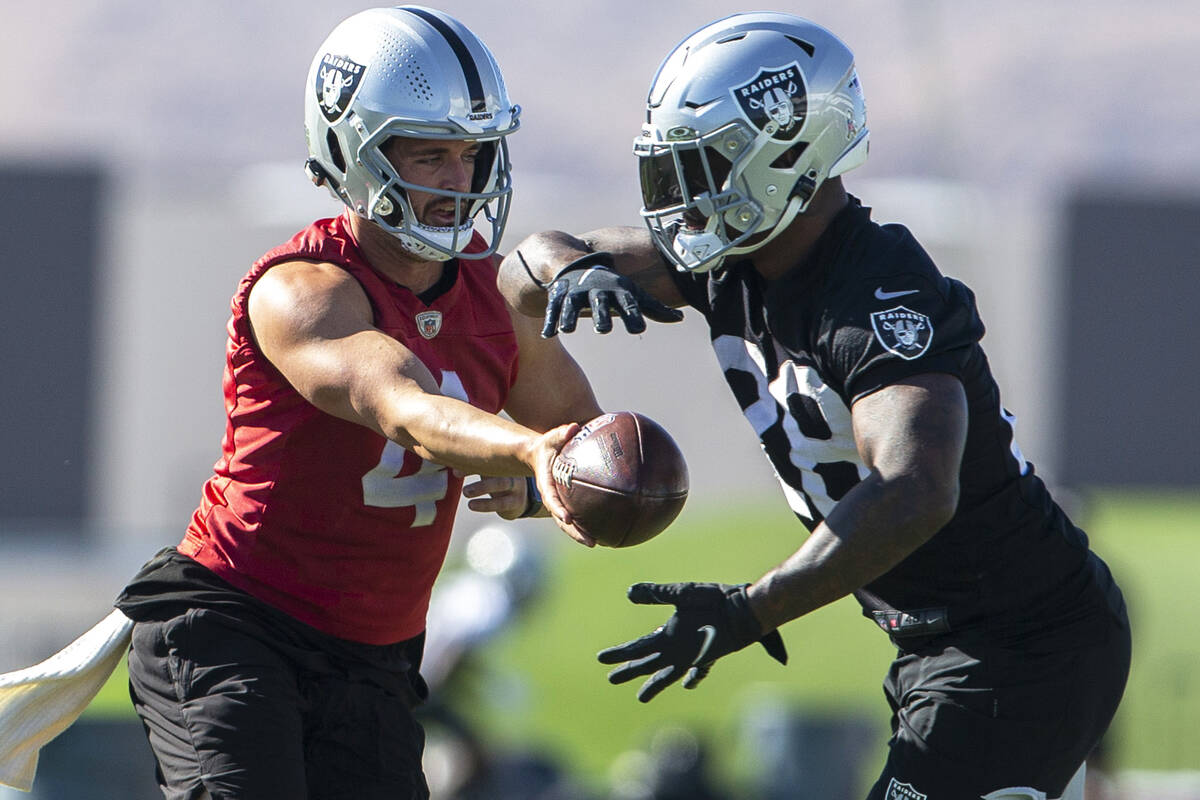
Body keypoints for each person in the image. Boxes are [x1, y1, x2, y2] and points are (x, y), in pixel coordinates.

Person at [499, 12, 1130, 800]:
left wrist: (750, 610)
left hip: (1023, 640)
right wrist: (566, 273)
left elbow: (915, 488)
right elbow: (523, 263)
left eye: (709, 165)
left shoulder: (877, 291)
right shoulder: (729, 258)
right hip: (942, 640)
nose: (686, 197)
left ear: (786, 156)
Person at [113, 7, 604, 799]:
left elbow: (588, 454)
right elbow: (401, 406)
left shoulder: (499, 297)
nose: (459, 182)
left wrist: (544, 487)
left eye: (473, 154)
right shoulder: (300, 289)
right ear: (353, 155)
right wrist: (521, 450)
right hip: (234, 626)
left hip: (375, 658)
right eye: (430, 154)